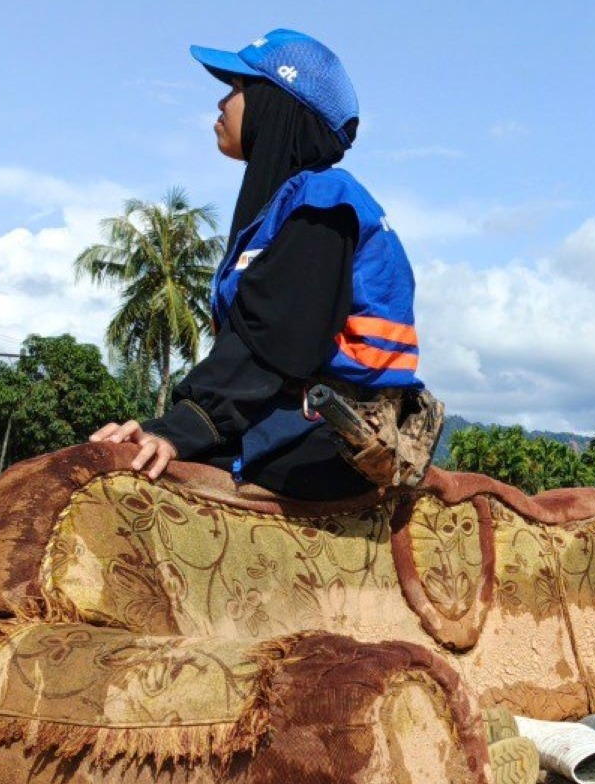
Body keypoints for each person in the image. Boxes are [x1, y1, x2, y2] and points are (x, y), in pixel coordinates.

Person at [90, 28, 428, 500]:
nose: (221, 103)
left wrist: (182, 428)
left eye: (237, 88)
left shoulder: (325, 201)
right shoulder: (283, 209)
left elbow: (276, 343)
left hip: (338, 432)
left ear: (276, 104)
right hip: (287, 416)